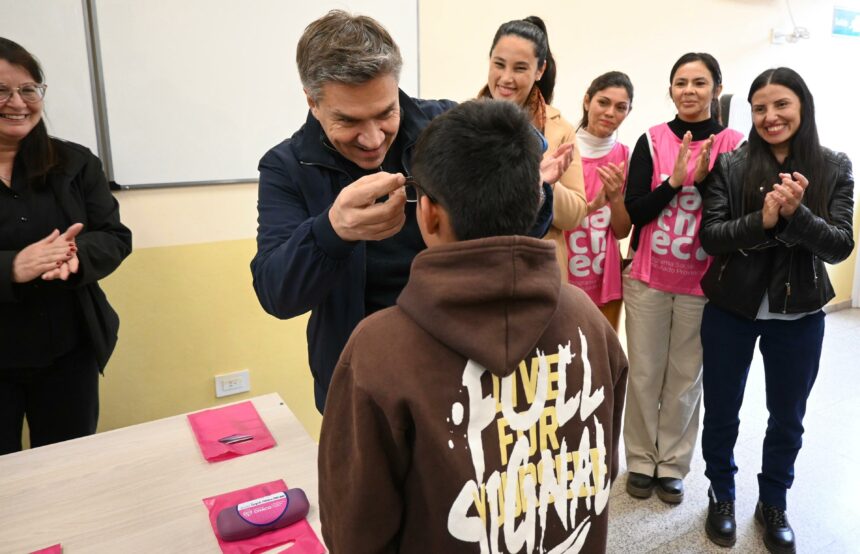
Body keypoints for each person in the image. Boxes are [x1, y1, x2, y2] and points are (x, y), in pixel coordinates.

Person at [318, 99, 628, 553]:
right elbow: (603, 467)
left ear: (428, 213)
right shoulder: (589, 320)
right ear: (538, 197)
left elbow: (354, 533)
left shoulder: (376, 352)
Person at [251, 11, 563, 413]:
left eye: (386, 113)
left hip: (461, 367)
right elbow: (277, 294)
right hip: (359, 379)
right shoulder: (287, 167)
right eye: (348, 121)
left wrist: (534, 192)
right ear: (312, 101)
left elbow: (514, 230)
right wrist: (332, 231)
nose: (372, 138)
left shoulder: (443, 125)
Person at [698, 67, 854, 552]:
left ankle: (774, 502)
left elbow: (840, 245)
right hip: (730, 308)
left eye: (781, 105)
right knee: (722, 410)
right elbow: (710, 237)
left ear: (802, 106)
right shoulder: (731, 164)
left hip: (801, 314)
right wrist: (762, 221)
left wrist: (796, 215)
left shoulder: (834, 166)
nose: (770, 117)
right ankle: (721, 493)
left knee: (787, 416)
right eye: (760, 108)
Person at [622, 52, 744, 503]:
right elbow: (636, 210)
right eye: (680, 82)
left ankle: (671, 464)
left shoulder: (734, 142)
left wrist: (707, 177)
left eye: (699, 82)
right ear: (670, 90)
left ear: (716, 88)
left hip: (705, 282)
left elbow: (738, 212)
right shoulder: (651, 140)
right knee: (645, 372)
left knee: (685, 377)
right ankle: (639, 460)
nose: (689, 90)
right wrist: (674, 182)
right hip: (649, 277)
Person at [0, 38, 132, 455]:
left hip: (67, 352)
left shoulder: (75, 163)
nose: (17, 102)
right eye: (1, 90)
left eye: (28, 89)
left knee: (68, 471)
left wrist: (75, 258)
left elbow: (114, 236)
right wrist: (12, 267)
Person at [478, 16, 587, 278]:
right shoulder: (465, 121)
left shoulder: (559, 129)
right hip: (481, 266)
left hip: (539, 272)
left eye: (520, 68)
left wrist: (541, 177)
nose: (506, 78)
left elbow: (575, 214)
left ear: (539, 70)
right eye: (499, 64)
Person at [565, 71, 634, 330]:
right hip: (564, 271)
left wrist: (616, 198)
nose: (609, 112)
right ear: (587, 101)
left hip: (605, 277)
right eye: (603, 102)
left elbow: (622, 230)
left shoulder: (625, 156)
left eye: (620, 107)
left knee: (601, 359)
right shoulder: (563, 147)